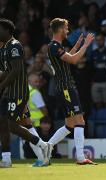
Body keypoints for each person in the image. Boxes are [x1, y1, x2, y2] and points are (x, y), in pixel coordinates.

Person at [47, 18, 97, 165]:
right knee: (80, 121)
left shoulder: (55, 46)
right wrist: (86, 45)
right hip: (66, 88)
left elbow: (68, 57)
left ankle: (46, 148)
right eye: (66, 28)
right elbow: (74, 60)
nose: (68, 31)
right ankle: (81, 158)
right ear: (60, 29)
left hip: (65, 88)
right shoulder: (54, 46)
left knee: (69, 125)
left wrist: (77, 45)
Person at [0, 19, 48, 168]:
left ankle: (43, 145)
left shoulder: (14, 46)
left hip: (17, 92)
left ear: (7, 30)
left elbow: (16, 70)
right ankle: (7, 159)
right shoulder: (4, 49)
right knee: (3, 124)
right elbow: (6, 71)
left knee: (9, 125)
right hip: (8, 93)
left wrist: (1, 85)